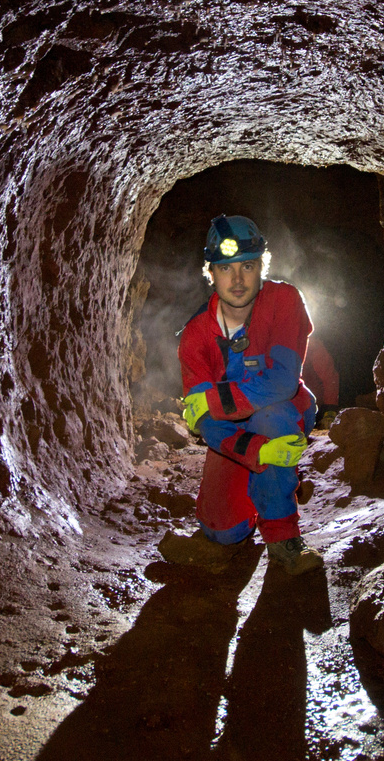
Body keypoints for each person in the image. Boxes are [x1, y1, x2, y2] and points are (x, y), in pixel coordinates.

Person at [159, 215, 323, 575]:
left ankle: (283, 538)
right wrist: (254, 451)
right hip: (232, 432)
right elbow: (205, 423)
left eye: (247, 266)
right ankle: (265, 485)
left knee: (271, 418)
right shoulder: (195, 336)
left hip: (286, 408)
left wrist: (216, 401)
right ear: (211, 272)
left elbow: (282, 382)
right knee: (221, 530)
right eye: (226, 268)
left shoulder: (284, 300)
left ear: (261, 267)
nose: (237, 280)